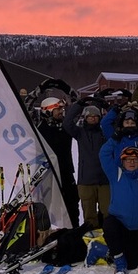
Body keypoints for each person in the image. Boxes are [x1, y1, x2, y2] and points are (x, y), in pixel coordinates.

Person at [95, 145, 138, 274]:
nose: (131, 162)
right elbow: (104, 154)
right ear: (122, 162)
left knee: (132, 264)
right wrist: (115, 138)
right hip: (118, 223)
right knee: (109, 225)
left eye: (135, 160)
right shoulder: (116, 174)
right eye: (128, 159)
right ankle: (119, 262)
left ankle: (108, 250)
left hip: (134, 228)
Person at [64, 102, 110, 228]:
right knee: (89, 216)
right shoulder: (80, 133)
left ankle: (109, 238)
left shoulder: (106, 133)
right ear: (85, 118)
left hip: (104, 180)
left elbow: (115, 123)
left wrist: (107, 107)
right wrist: (78, 105)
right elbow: (67, 123)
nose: (93, 118)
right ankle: (91, 240)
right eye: (90, 116)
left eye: (96, 116)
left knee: (108, 213)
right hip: (86, 181)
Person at [37, 97, 80, 227]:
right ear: (48, 111)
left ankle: (74, 232)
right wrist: (40, 89)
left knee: (72, 204)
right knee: (48, 206)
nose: (61, 112)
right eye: (58, 109)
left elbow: (74, 113)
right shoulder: (40, 128)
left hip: (66, 172)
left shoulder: (66, 126)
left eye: (61, 109)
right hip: (48, 174)